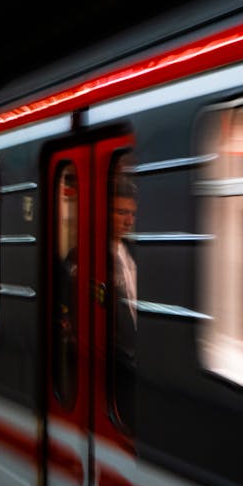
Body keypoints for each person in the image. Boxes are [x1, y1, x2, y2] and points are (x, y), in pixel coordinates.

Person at [111, 176, 137, 430]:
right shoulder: (83, 256)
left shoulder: (133, 252)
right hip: (114, 364)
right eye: (121, 212)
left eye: (131, 214)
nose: (128, 220)